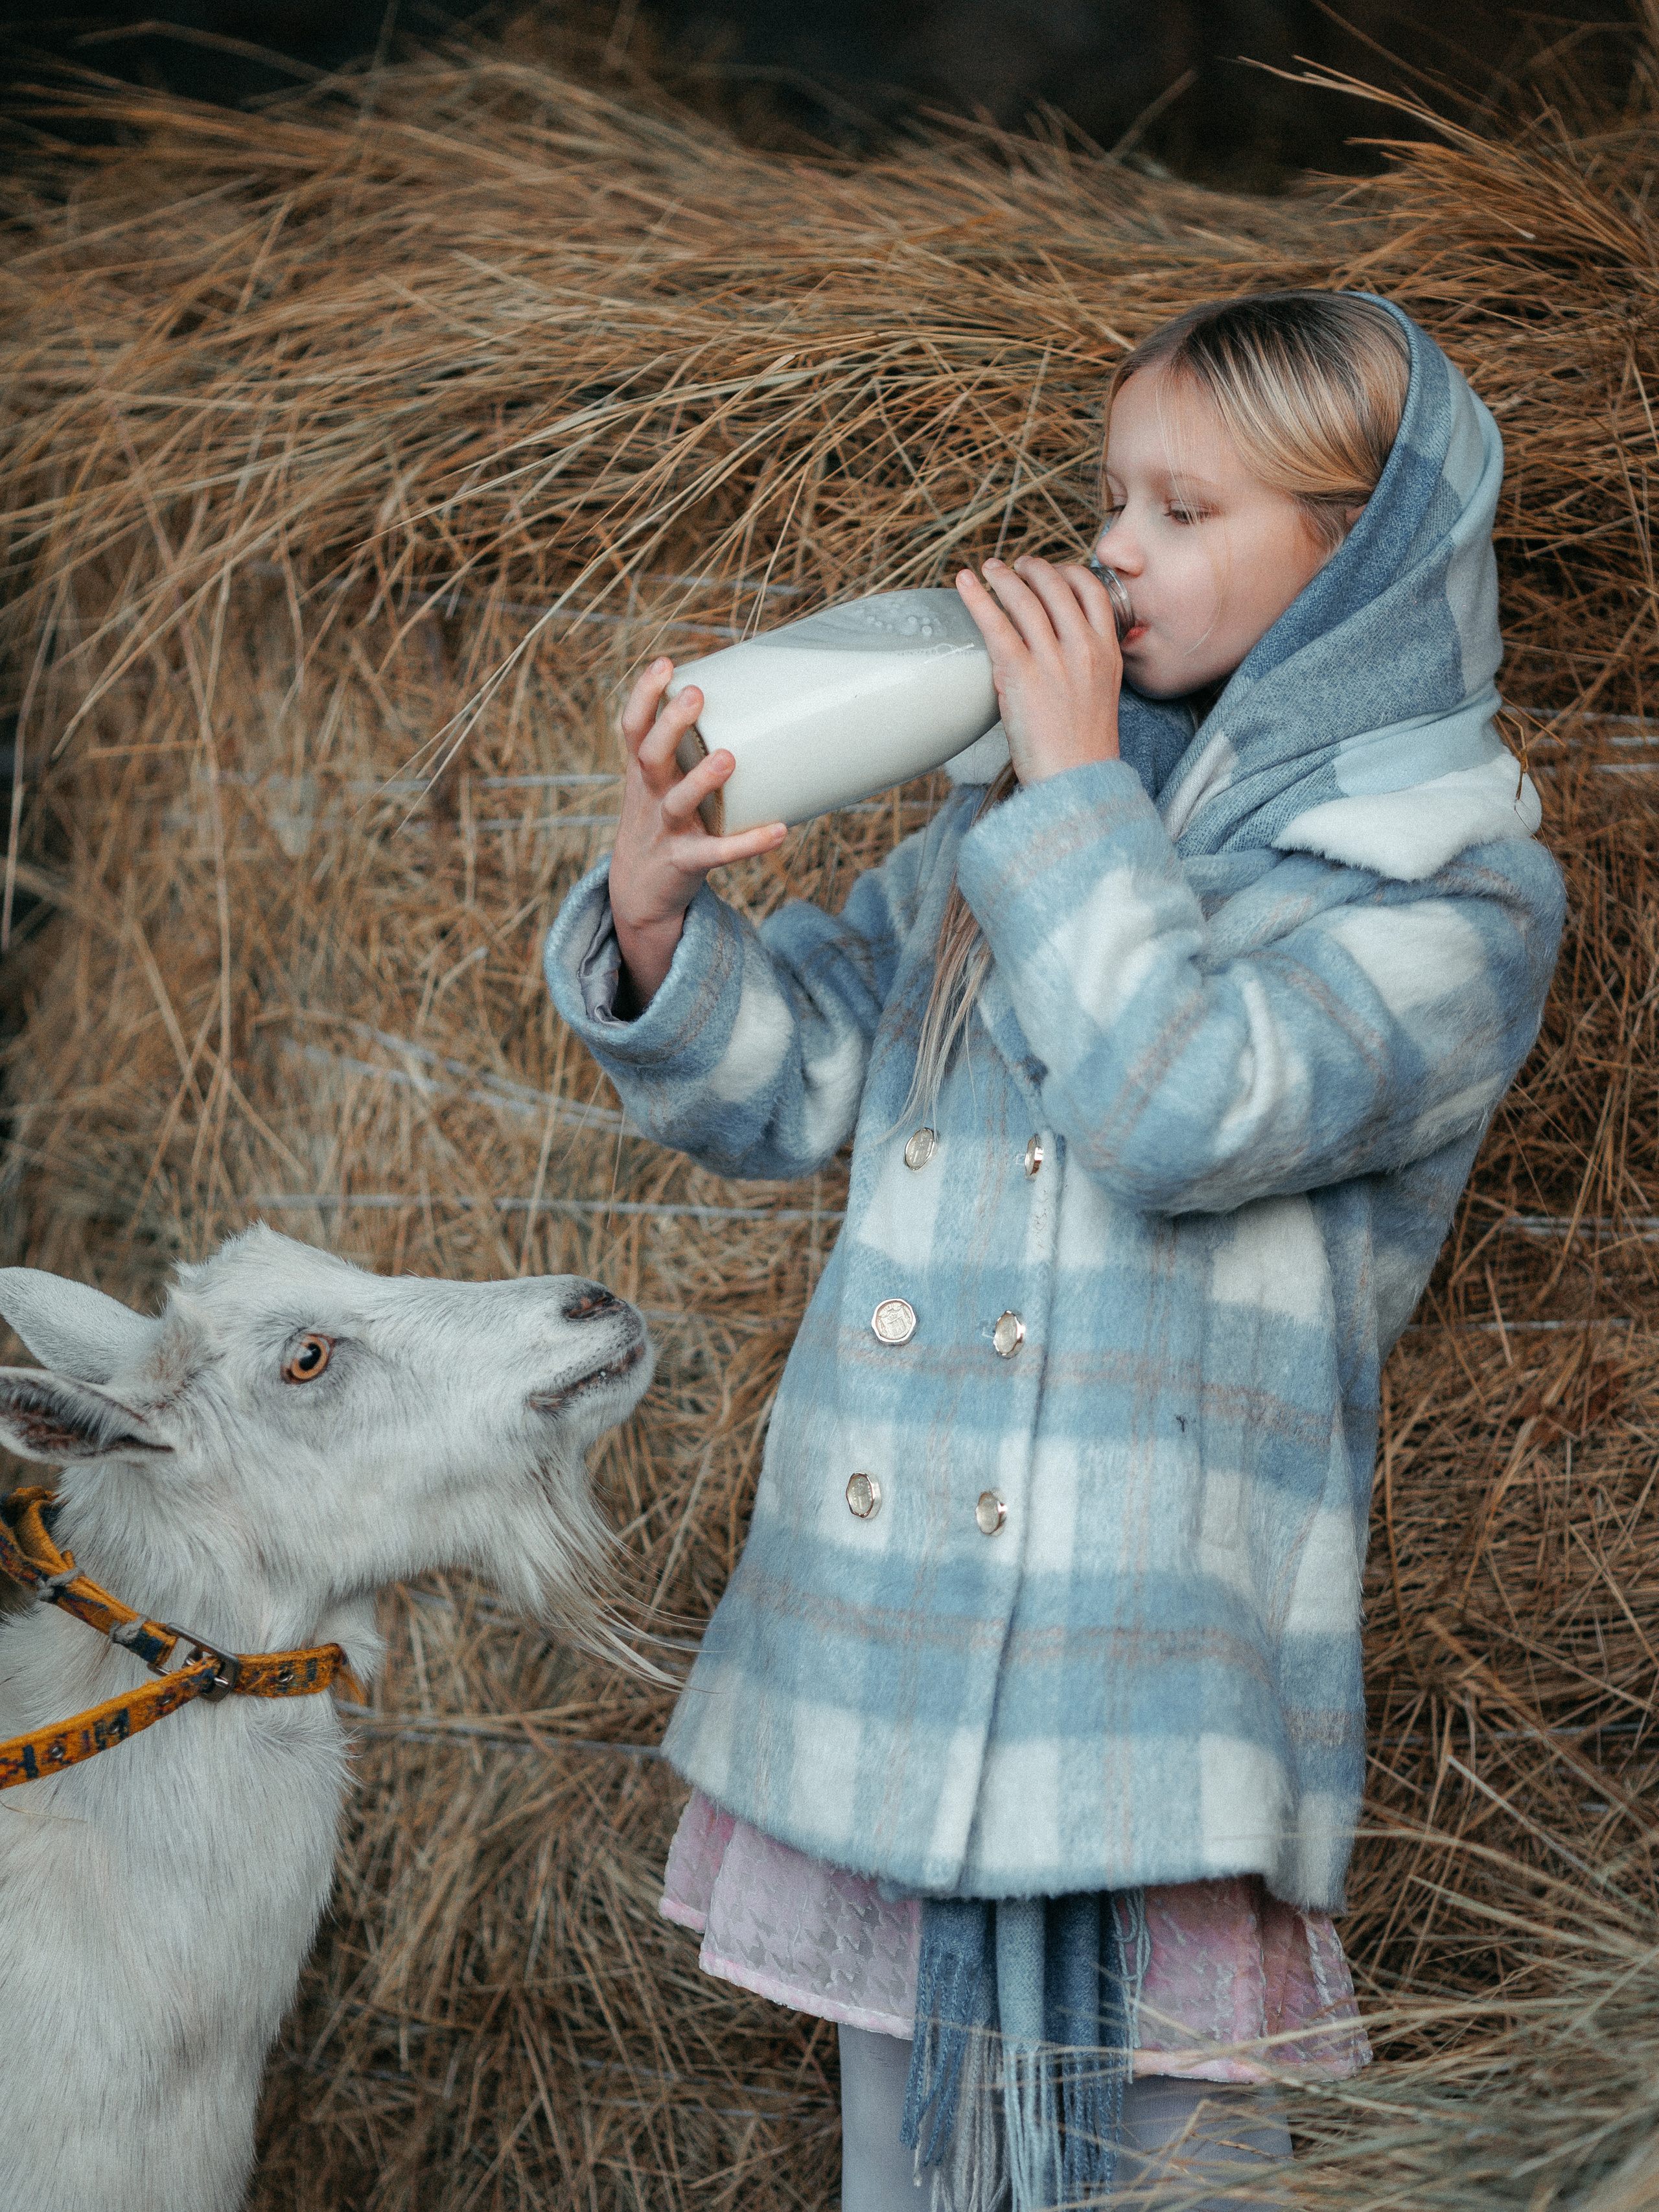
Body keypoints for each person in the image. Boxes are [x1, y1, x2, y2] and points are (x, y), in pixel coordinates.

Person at [544, 292, 1564, 2210]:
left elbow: (1189, 1113)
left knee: (1178, 2167)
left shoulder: (1455, 887)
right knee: (904, 2162)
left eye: (1185, 510)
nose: (1112, 549)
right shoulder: (1007, 811)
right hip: (896, 1628)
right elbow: (795, 1085)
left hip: (1142, 1668)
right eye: (1114, 497)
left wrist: (1080, 783)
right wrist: (659, 902)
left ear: (1360, 561)